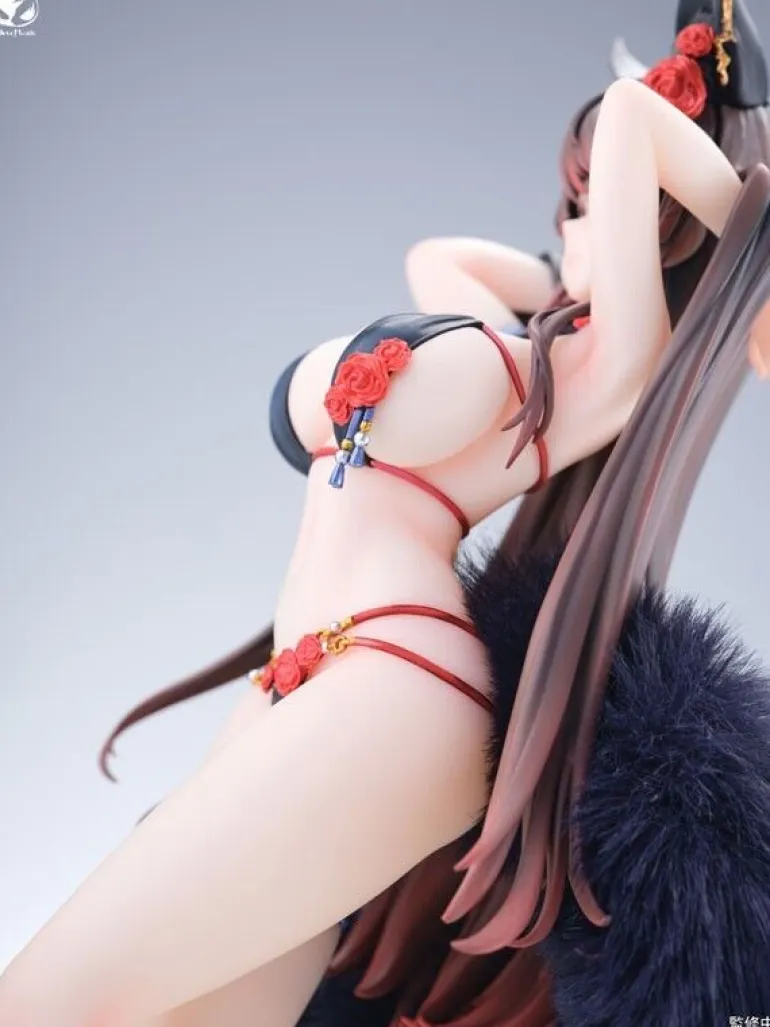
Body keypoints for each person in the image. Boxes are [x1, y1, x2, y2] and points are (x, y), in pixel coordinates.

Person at [2, 1, 770, 1025]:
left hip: (391, 679)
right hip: (309, 673)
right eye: (573, 197)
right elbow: (436, 257)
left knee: (47, 999)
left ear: (662, 219)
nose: (575, 217)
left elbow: (634, 120)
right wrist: (568, 264)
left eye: (600, 198)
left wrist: (746, 246)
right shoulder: (517, 344)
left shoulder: (605, 373)